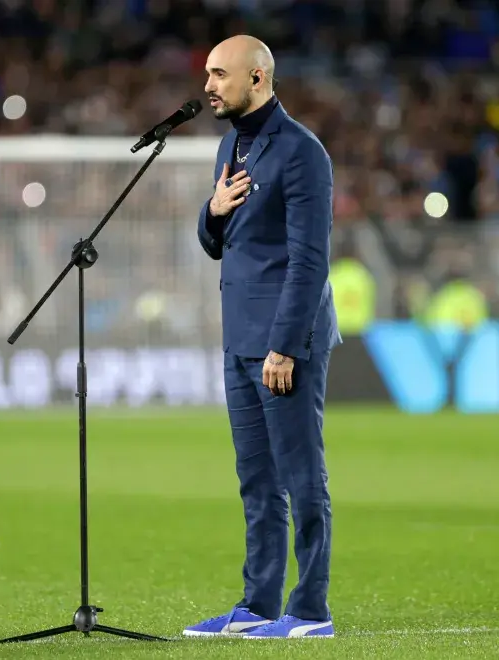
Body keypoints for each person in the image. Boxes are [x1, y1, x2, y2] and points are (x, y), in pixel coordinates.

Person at [183, 35, 341, 639]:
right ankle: (259, 604)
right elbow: (217, 242)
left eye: (219, 74)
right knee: (256, 479)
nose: (208, 85)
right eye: (207, 73)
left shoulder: (302, 152)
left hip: (283, 342)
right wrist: (212, 210)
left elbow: (309, 261)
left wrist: (285, 345)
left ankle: (311, 609)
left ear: (258, 78)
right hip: (239, 336)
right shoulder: (231, 144)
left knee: (301, 475)